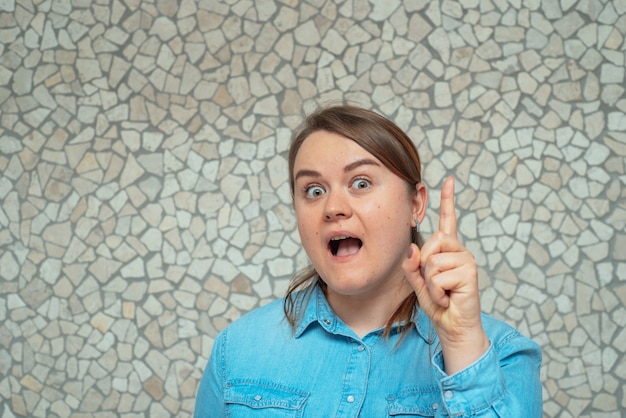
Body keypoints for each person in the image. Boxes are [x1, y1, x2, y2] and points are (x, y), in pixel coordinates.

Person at [194, 104, 542, 417]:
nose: (333, 208)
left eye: (360, 183)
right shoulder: (236, 350)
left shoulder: (503, 355)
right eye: (314, 190)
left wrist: (461, 343)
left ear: (416, 205)